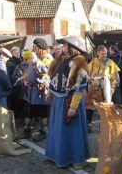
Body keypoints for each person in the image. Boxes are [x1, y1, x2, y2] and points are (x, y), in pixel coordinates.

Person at [45, 36, 90, 168]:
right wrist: (50, 93)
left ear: (73, 48)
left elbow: (79, 88)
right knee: (58, 130)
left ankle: (76, 159)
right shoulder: (61, 60)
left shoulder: (79, 63)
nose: (62, 48)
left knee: (72, 131)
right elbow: (54, 77)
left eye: (65, 46)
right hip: (58, 101)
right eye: (63, 46)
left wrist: (73, 107)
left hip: (70, 101)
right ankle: (57, 155)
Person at [19, 38, 51, 142]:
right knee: (29, 112)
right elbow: (27, 71)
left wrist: (36, 61)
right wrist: (25, 80)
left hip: (41, 91)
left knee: (42, 113)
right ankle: (27, 131)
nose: (34, 49)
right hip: (31, 90)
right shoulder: (35, 57)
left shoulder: (48, 58)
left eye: (35, 47)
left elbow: (44, 71)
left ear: (41, 48)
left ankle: (43, 132)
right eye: (33, 47)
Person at [86, 45, 120, 132]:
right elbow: (86, 75)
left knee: (105, 108)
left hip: (105, 90)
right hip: (93, 90)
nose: (104, 55)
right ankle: (88, 125)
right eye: (102, 54)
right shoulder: (92, 63)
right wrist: (90, 78)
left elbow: (115, 77)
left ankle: (103, 126)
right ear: (97, 53)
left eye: (105, 53)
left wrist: (113, 87)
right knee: (90, 107)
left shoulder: (110, 63)